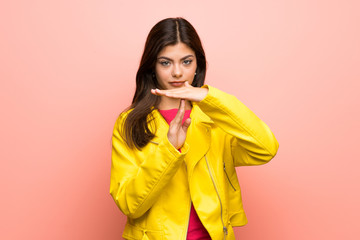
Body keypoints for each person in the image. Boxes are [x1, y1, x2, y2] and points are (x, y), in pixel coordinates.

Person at [110, 17, 279, 240]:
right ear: (152, 65)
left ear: (198, 64)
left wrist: (210, 98)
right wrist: (169, 149)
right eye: (166, 62)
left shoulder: (215, 118)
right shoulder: (130, 122)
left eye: (186, 62)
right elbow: (129, 204)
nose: (177, 72)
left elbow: (266, 149)